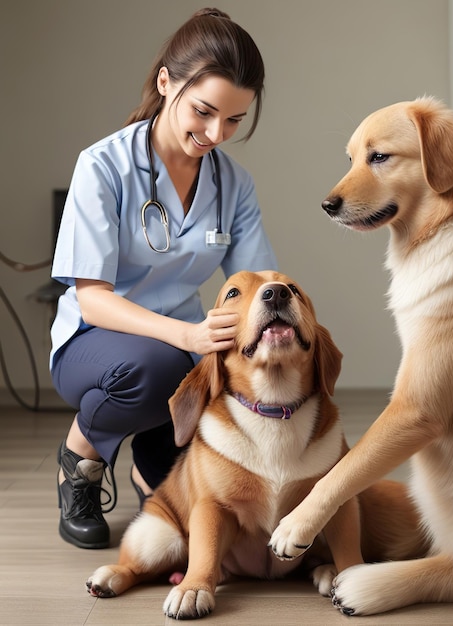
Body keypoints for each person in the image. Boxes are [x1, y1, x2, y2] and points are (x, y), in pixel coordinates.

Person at [50, 7, 278, 550]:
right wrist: (188, 336)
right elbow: (94, 301)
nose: (216, 134)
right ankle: (80, 458)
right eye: (204, 112)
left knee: (225, 378)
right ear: (165, 82)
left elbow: (254, 283)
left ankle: (151, 469)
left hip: (182, 346)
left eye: (234, 121)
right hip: (95, 343)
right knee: (159, 369)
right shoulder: (103, 166)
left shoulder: (233, 185)